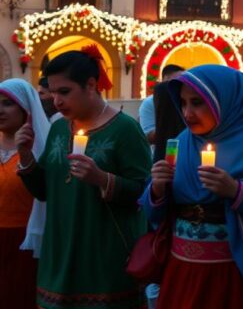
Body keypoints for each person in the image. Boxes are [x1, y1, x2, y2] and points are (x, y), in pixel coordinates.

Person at [143, 65, 243, 308]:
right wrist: (157, 189)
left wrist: (236, 191)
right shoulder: (183, 141)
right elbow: (155, 211)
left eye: (197, 102)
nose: (187, 113)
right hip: (183, 270)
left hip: (238, 274)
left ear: (222, 98)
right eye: (183, 103)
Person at [16, 49, 151, 308]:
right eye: (52, 92)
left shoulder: (125, 130)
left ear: (91, 85)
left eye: (64, 92)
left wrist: (102, 179)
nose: (56, 101)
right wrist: (25, 156)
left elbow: (144, 193)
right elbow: (45, 191)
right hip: (59, 251)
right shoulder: (58, 128)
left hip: (103, 256)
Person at [1, 79, 50, 308]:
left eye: (7, 104)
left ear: (25, 109)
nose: (0, 110)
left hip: (25, 242)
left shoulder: (41, 147)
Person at [138, 64, 184, 144]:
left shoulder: (186, 101)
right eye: (174, 82)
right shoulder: (150, 103)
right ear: (163, 82)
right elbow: (147, 136)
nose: (178, 86)